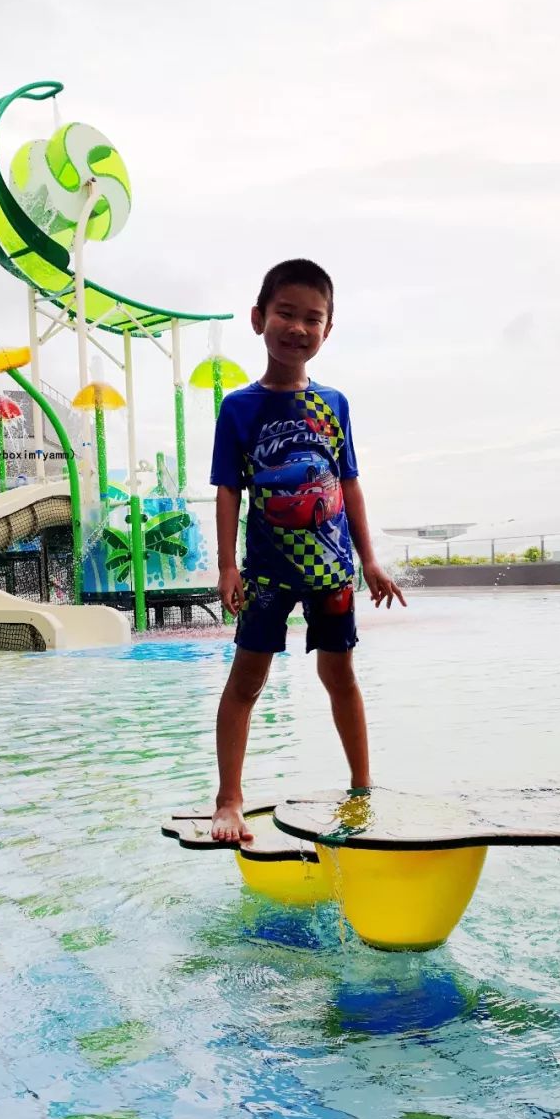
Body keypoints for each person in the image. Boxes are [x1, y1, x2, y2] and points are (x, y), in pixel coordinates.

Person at [210, 259, 405, 843]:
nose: (298, 328)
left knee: (340, 676)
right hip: (267, 574)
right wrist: (227, 566)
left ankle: (363, 790)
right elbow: (228, 490)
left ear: (328, 328)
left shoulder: (333, 404)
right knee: (247, 680)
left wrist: (369, 560)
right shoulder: (239, 408)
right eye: (285, 313)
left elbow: (348, 484)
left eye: (312, 319)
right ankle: (228, 799)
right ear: (258, 319)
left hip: (332, 570)